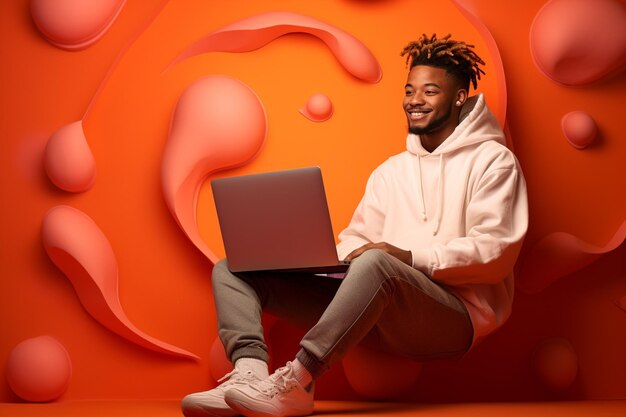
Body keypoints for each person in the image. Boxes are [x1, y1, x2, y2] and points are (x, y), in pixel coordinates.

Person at [182, 33, 528, 417]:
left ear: (460, 97)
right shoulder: (390, 171)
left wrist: (408, 258)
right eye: (410, 90)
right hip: (371, 312)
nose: (414, 100)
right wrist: (323, 263)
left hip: (454, 318)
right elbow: (358, 240)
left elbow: (497, 251)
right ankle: (248, 376)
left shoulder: (494, 161)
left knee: (377, 265)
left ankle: (299, 381)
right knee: (234, 267)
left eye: (430, 91)